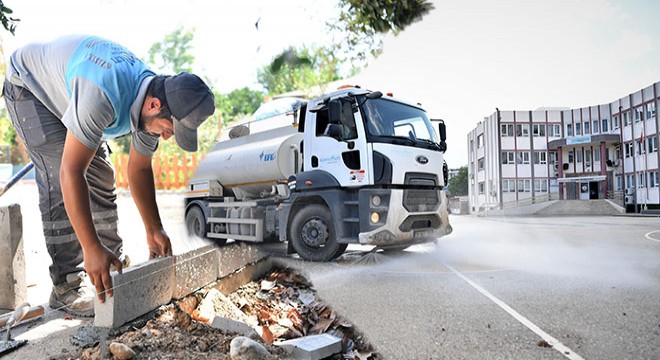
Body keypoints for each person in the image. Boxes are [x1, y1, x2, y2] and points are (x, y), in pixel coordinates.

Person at [3, 35, 215, 316]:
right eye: (168, 128)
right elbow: (71, 172)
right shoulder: (104, 93)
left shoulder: (154, 99)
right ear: (153, 105)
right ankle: (68, 284)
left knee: (101, 174)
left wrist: (154, 229)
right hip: (30, 88)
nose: (166, 136)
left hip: (72, 94)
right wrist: (90, 247)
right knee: (59, 174)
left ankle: (110, 269)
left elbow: (139, 168)